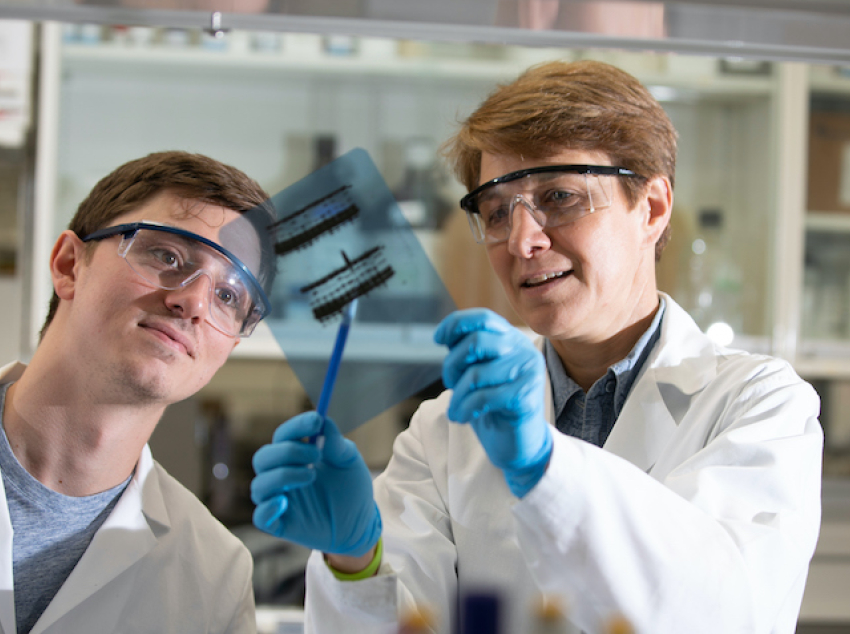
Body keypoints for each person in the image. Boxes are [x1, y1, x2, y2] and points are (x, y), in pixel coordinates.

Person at [250, 61, 824, 634]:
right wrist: (356, 562)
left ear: (651, 208)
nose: (523, 241)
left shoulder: (761, 407)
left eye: (561, 196)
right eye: (498, 212)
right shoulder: (445, 431)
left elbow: (717, 613)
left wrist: (544, 469)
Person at [1, 150, 276, 633]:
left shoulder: (215, 576)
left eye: (228, 295)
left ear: (229, 345)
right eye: (167, 256)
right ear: (69, 265)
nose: (192, 301)